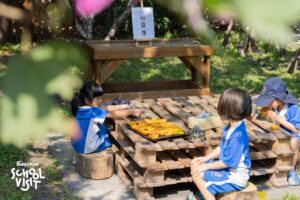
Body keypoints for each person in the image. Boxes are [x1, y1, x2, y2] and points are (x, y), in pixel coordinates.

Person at [188, 88, 252, 200]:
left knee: (196, 174)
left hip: (234, 177)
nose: (220, 114)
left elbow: (227, 162)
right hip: (226, 170)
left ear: (232, 112)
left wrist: (205, 166)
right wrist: (205, 159)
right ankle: (205, 192)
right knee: (196, 165)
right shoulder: (230, 127)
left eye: (223, 111)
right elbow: (222, 147)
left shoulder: (238, 136)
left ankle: (206, 195)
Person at [70, 81, 141, 156]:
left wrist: (122, 106)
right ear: (87, 100)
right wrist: (132, 112)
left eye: (101, 98)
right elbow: (114, 114)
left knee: (101, 126)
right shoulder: (94, 112)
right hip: (88, 148)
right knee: (106, 133)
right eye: (98, 99)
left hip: (77, 145)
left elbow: (104, 108)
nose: (101, 101)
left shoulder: (80, 108)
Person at [253, 77, 300, 185]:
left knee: (293, 143)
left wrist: (280, 120)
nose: (267, 104)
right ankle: (271, 162)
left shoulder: (293, 108)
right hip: (281, 131)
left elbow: (297, 129)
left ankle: (291, 170)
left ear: (278, 99)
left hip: (294, 134)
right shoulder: (274, 107)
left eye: (268, 101)